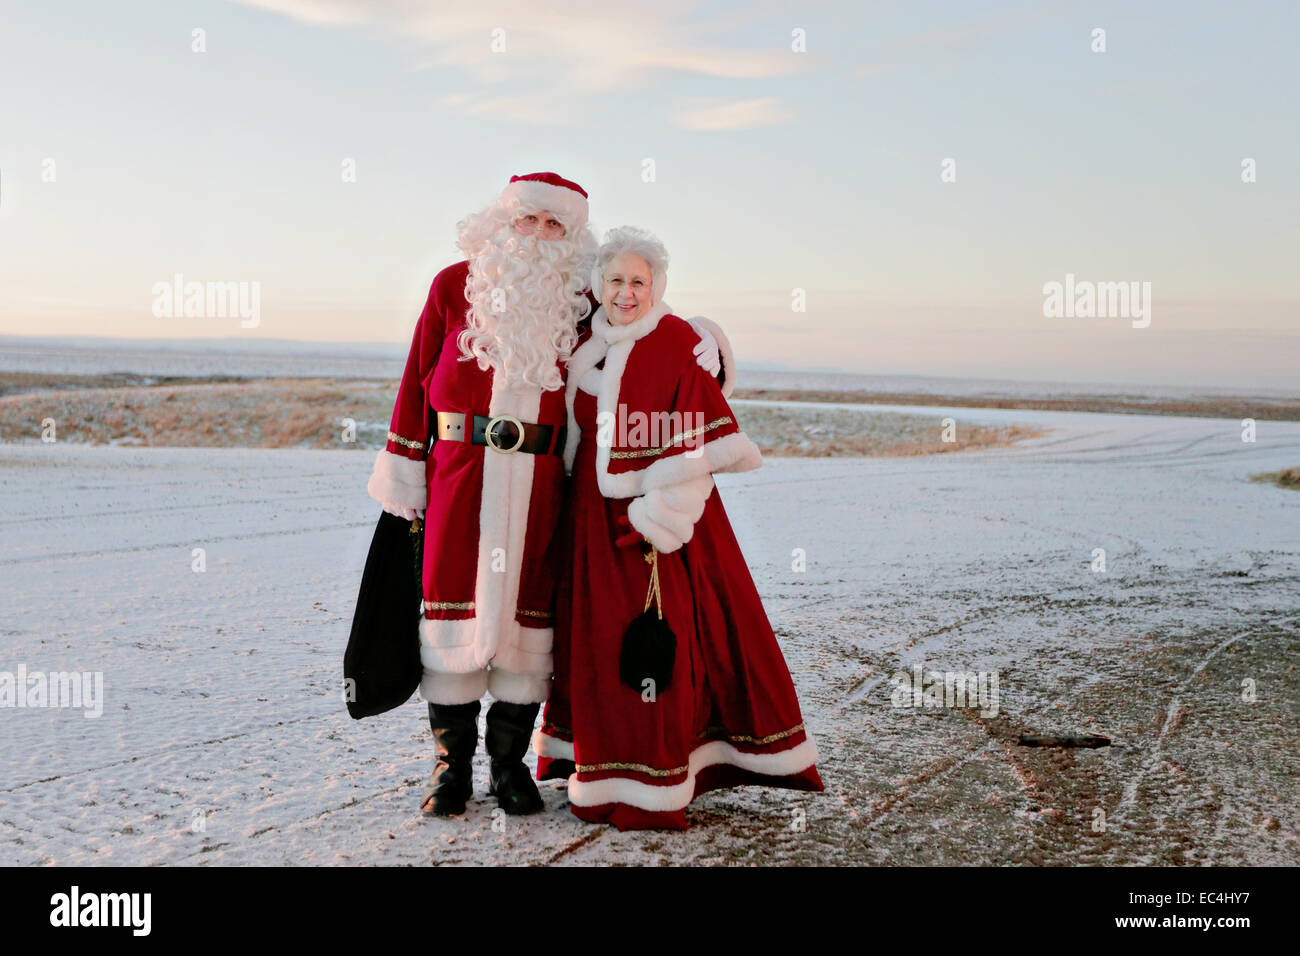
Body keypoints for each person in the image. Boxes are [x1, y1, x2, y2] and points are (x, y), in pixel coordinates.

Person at [365, 174, 727, 818]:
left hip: (541, 484)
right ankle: (451, 769)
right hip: (458, 475)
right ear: (502, 222)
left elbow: (638, 320)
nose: (537, 236)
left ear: (573, 238)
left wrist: (701, 336)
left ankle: (508, 769)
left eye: (554, 226)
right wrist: (405, 467)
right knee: (451, 614)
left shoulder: (581, 299)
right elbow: (416, 375)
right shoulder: (456, 284)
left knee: (529, 621)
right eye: (527, 221)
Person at [532, 226, 824, 830]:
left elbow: (699, 452)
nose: (627, 292)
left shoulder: (676, 343)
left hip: (649, 529)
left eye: (639, 281)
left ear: (658, 286)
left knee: (649, 655)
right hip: (590, 524)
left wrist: (659, 522)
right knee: (591, 648)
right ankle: (598, 769)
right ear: (599, 285)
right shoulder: (586, 346)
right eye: (615, 280)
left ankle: (654, 782)